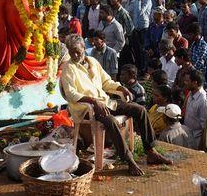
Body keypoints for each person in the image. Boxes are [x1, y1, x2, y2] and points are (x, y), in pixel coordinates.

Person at [58, 34, 172, 176]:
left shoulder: (92, 61)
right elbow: (71, 94)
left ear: (83, 47)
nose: (74, 54)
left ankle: (150, 151)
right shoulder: (69, 69)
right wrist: (93, 101)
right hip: (85, 109)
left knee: (140, 110)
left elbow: (107, 82)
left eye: (77, 50)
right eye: (71, 51)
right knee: (110, 121)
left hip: (105, 102)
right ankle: (128, 160)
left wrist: (121, 88)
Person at [183, 70, 207, 150]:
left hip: (195, 142)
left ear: (195, 83)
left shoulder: (203, 100)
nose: (185, 82)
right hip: (187, 137)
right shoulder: (190, 94)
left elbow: (204, 127)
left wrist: (201, 147)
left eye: (187, 81)